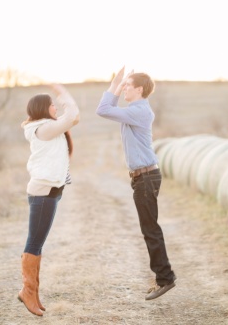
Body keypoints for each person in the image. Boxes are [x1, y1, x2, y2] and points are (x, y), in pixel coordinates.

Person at [96, 67, 177, 301]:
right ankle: (164, 277)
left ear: (139, 89)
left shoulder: (138, 111)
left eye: (127, 85)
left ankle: (166, 278)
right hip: (143, 177)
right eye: (123, 85)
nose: (124, 89)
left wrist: (113, 84)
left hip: (146, 177)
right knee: (149, 228)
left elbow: (102, 110)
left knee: (150, 229)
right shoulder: (134, 110)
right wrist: (118, 85)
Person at [19, 84, 80, 316]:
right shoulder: (43, 129)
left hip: (49, 192)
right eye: (52, 104)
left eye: (55, 104)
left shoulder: (48, 128)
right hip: (43, 193)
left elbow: (74, 118)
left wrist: (62, 99)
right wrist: (63, 93)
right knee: (34, 243)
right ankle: (27, 292)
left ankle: (33, 294)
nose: (55, 107)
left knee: (37, 243)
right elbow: (72, 115)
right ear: (43, 109)